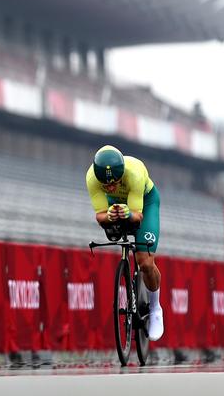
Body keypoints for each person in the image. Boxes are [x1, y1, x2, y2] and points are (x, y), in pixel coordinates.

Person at [85, 145, 163, 341]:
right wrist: (110, 215)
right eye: (106, 185)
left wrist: (128, 213)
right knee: (113, 228)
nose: (110, 187)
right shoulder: (92, 178)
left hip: (145, 202)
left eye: (115, 183)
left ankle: (155, 308)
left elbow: (137, 217)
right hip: (115, 203)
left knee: (144, 262)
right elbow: (100, 216)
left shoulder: (134, 173)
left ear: (122, 176)